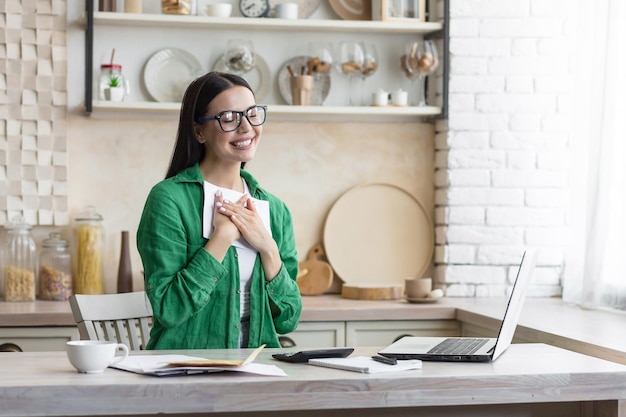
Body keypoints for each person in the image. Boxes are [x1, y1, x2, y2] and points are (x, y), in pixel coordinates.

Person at [137, 71, 302, 349]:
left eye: (252, 114)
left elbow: (288, 319)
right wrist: (221, 238)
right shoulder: (168, 200)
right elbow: (168, 309)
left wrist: (268, 249)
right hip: (183, 371)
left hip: (254, 371)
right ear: (199, 131)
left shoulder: (275, 210)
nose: (246, 127)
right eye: (228, 118)